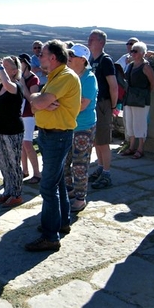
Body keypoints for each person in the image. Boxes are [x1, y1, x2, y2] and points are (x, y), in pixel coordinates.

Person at [24, 40, 81, 252]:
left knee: (47, 186)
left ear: (53, 58)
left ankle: (50, 236)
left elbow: (36, 103)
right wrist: (40, 99)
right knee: (56, 183)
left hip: (57, 137)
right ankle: (62, 222)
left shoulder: (64, 77)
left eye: (43, 54)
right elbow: (35, 99)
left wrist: (39, 101)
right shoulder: (55, 78)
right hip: (51, 136)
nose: (39, 57)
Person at [64, 44, 97, 213]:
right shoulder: (69, 76)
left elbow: (83, 104)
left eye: (72, 55)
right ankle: (70, 189)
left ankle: (80, 197)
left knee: (80, 163)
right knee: (65, 161)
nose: (68, 57)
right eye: (68, 54)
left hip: (83, 127)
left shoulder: (89, 78)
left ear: (83, 60)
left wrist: (61, 107)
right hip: (68, 125)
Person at [0, 56, 24, 207]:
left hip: (12, 131)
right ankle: (7, 191)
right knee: (3, 163)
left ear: (14, 71)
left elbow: (7, 84)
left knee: (13, 163)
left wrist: (0, 68)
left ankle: (16, 194)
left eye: (5, 66)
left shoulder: (14, 86)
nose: (1, 67)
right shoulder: (1, 87)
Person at [87, 29, 119, 189]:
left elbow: (113, 86)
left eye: (92, 39)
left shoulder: (106, 60)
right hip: (94, 104)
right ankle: (100, 167)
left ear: (101, 42)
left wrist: (113, 106)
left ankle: (107, 173)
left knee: (104, 140)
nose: (89, 41)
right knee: (96, 140)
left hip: (103, 103)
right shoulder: (91, 58)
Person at [119, 41, 154, 159]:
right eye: (132, 51)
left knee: (140, 124)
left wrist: (144, 94)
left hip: (141, 100)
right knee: (130, 123)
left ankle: (140, 148)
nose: (132, 53)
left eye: (135, 51)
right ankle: (131, 147)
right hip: (130, 98)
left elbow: (153, 84)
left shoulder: (146, 67)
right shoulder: (130, 65)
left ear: (142, 53)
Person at [18, 53, 42, 183]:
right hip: (20, 113)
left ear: (26, 64)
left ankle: (37, 173)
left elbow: (32, 98)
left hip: (29, 114)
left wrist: (22, 83)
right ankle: (24, 170)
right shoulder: (18, 78)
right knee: (22, 144)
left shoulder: (34, 79)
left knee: (27, 143)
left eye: (20, 62)